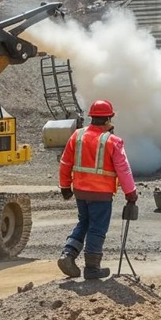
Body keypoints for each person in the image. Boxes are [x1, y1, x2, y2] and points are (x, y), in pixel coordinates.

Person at [57, 99, 138, 280]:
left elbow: (65, 162)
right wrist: (131, 193)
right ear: (109, 118)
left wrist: (65, 186)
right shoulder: (113, 141)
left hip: (80, 191)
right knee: (97, 228)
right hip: (101, 194)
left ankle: (68, 254)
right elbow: (123, 169)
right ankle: (92, 268)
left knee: (84, 222)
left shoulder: (77, 136)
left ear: (91, 117)